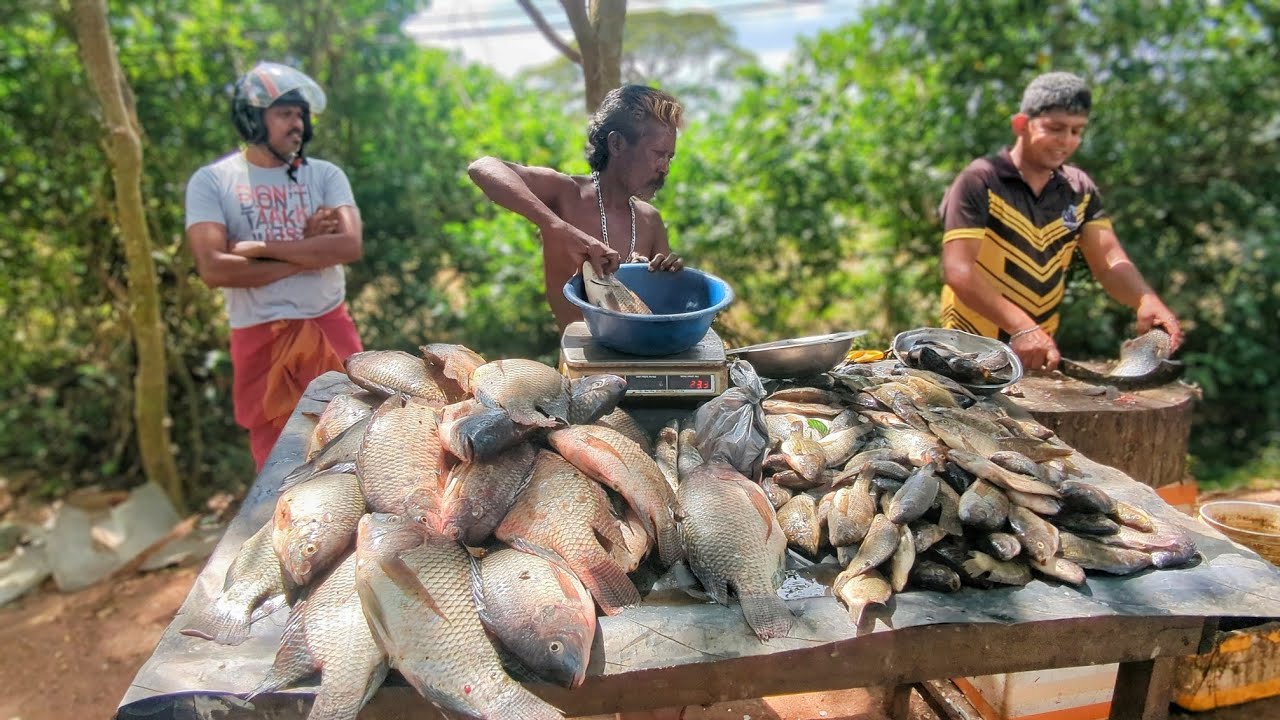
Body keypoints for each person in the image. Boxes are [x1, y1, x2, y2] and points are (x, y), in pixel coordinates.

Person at [939, 71, 1183, 371]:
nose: (1066, 141)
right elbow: (959, 270)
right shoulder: (980, 179)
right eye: (1055, 128)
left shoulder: (1079, 188)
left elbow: (1107, 260)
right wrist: (1022, 327)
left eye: (1076, 131)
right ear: (1021, 125)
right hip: (969, 349)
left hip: (1037, 352)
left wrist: (1145, 299)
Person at [185, 62, 364, 470]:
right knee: (276, 457)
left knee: (353, 434)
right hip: (259, 334)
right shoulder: (213, 181)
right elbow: (214, 268)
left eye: (300, 114)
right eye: (285, 113)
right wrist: (308, 251)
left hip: (328, 324)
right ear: (253, 118)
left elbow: (349, 245)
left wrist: (254, 250)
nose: (297, 123)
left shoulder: (324, 176)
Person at [468, 85, 685, 330]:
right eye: (658, 153)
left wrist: (665, 275)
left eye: (669, 157)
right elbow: (482, 167)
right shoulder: (567, 194)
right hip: (579, 362)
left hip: (642, 362)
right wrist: (556, 227)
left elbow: (664, 311)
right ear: (616, 144)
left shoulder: (650, 220)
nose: (664, 167)